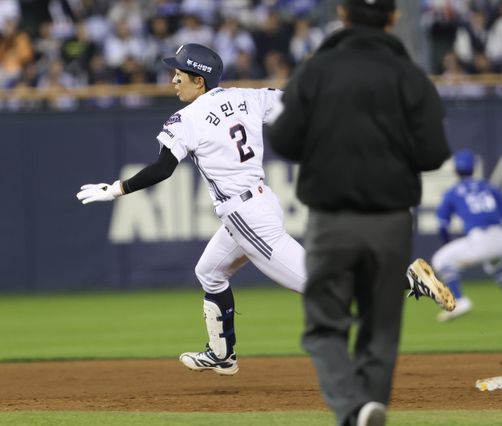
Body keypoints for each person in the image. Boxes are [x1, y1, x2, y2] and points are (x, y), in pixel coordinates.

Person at [266, 1, 451, 424]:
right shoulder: (410, 75)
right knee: (380, 327)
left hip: (331, 220)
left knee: (324, 326)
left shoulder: (316, 71)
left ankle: (353, 409)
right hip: (391, 221)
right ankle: (367, 408)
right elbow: (433, 152)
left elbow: (283, 140)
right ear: (393, 17)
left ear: (343, 14)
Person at [76, 43, 306, 375]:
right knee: (210, 273)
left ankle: (387, 290)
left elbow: (162, 169)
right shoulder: (247, 96)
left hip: (246, 216)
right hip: (259, 202)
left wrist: (116, 189)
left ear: (199, 81)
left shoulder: (187, 118)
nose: (173, 80)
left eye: (179, 74)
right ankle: (222, 354)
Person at [431, 148, 502, 322]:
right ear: (473, 169)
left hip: (480, 238)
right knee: (494, 263)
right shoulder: (488, 187)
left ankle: (459, 301)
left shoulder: (452, 192)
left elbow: (442, 225)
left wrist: (447, 243)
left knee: (441, 259)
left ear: (455, 171)